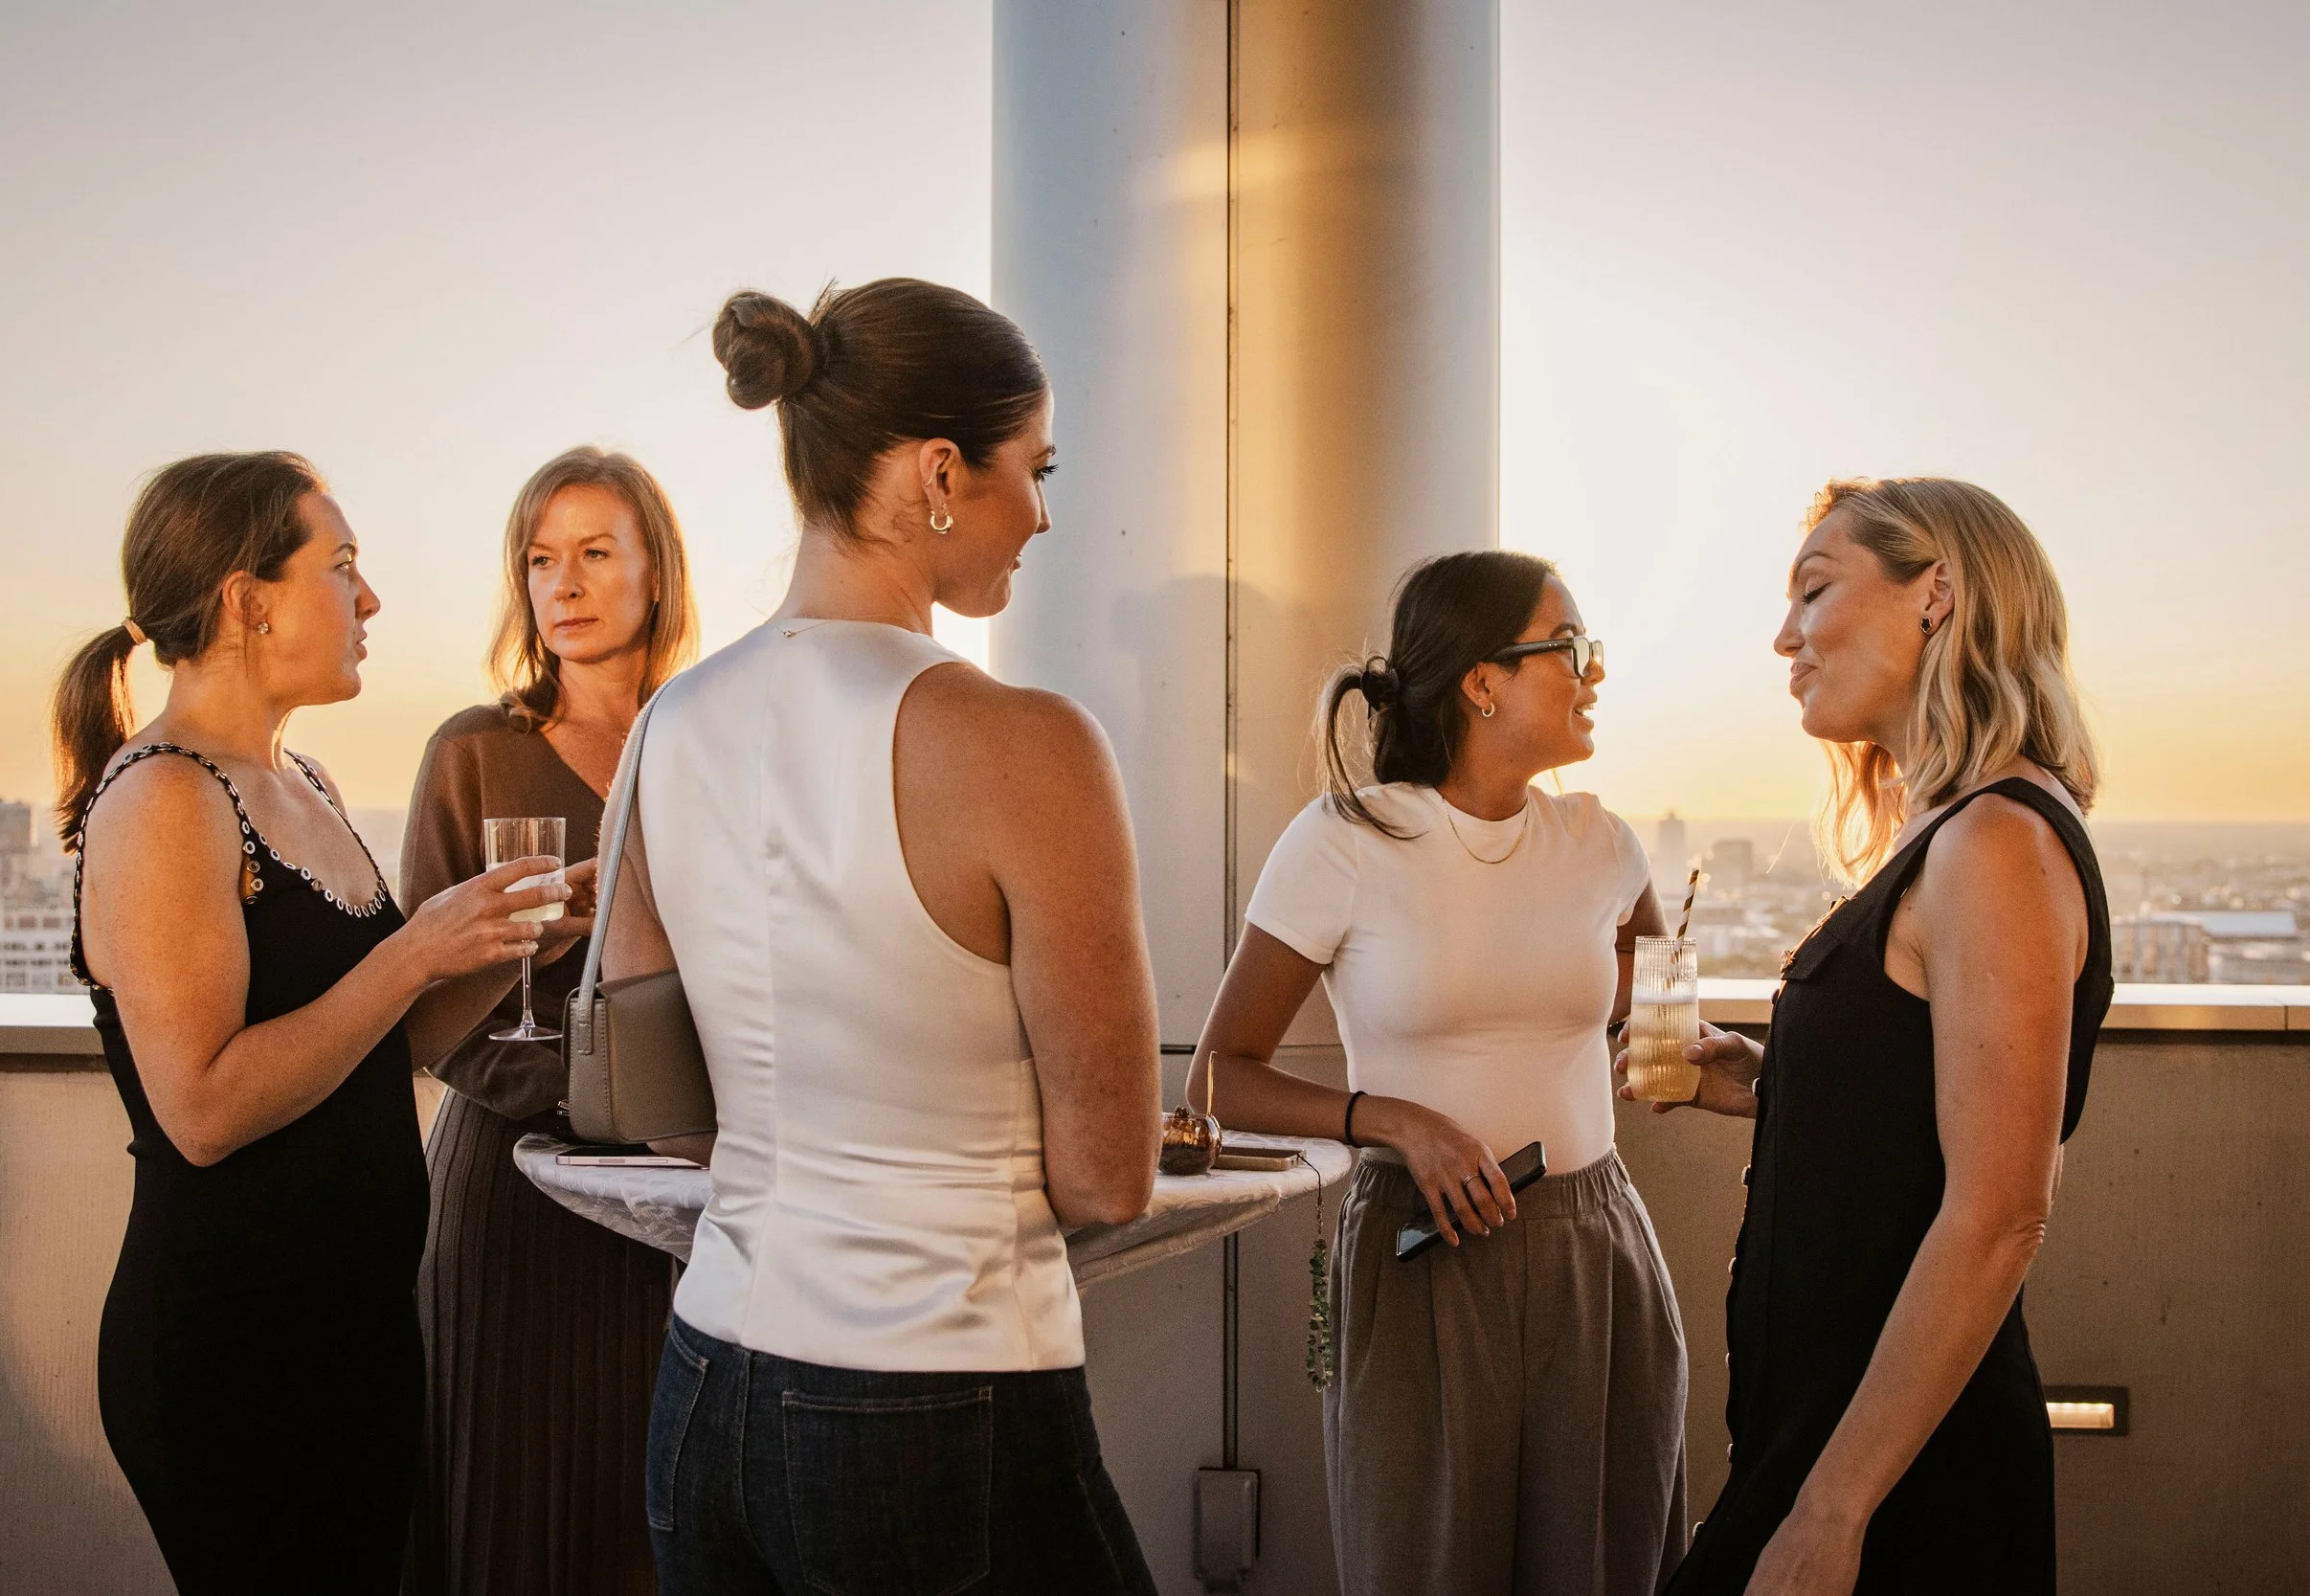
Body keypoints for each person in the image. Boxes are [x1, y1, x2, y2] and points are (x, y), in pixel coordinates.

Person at [602, 279, 1162, 1595]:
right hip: (933, 1391)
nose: (1041, 510)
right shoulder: (1029, 745)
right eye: (1037, 468)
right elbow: (1107, 1174)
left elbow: (661, 1099)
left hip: (704, 1385)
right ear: (938, 472)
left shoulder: (669, 724)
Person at [54, 452, 586, 1595]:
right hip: (233, 1350)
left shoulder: (306, 781)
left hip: (352, 1330)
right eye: (341, 565)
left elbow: (374, 1041)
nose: (371, 598)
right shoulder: (163, 798)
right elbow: (201, 1107)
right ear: (248, 600)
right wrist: (410, 949)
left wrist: (504, 943)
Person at [1188, 550, 1688, 1596]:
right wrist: (1391, 1120)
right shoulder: (1343, 842)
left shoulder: (1602, 844)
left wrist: (1688, 1053)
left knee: (1605, 1567)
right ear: (1482, 678)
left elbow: (1651, 1007)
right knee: (1421, 1564)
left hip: (1592, 1247)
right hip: (1420, 1245)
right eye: (1573, 647)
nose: (1594, 672)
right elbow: (1220, 1077)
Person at [1646, 478, 2112, 1595]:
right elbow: (1921, 1109)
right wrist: (1768, 1080)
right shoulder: (1956, 829)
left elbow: (2002, 1208)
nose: (1781, 637)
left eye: (1814, 589)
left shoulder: (1996, 838)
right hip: (1834, 1429)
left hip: (1901, 1475)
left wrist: (1831, 1509)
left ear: (1936, 593)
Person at [400, 446, 700, 1596]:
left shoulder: (712, 740)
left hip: (686, 1197)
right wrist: (599, 1094)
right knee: (506, 1526)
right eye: (539, 559)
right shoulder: (476, 751)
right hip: (514, 1192)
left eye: (593, 552)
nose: (562, 583)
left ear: (654, 572)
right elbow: (430, 1012)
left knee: (658, 1529)